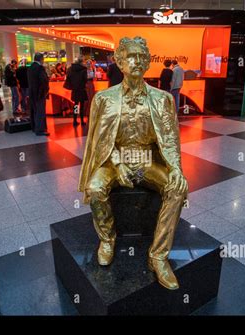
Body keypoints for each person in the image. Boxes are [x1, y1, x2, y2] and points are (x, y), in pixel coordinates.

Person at [79, 36, 188, 290]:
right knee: (95, 187)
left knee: (177, 188)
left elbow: (170, 138)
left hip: (147, 159)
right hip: (114, 160)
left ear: (148, 63)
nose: (137, 61)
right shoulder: (103, 99)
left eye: (142, 57)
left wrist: (176, 169)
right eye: (131, 56)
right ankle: (107, 238)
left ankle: (158, 256)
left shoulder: (162, 99)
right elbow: (98, 144)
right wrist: (118, 164)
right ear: (119, 61)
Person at [27, 53, 50, 136]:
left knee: (34, 110)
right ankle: (40, 130)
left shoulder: (30, 68)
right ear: (41, 59)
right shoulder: (40, 68)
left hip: (32, 92)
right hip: (39, 93)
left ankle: (34, 127)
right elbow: (44, 80)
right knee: (40, 111)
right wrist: (46, 90)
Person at [67, 56, 88, 126]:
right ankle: (82, 121)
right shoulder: (84, 69)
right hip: (81, 89)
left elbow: (68, 78)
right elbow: (85, 79)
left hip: (74, 90)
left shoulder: (70, 69)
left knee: (76, 105)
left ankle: (75, 120)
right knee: (81, 106)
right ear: (81, 62)